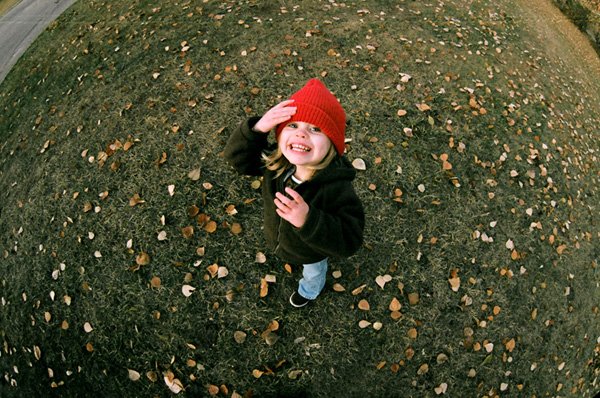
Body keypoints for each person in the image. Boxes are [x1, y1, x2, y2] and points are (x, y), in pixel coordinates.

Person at [224, 79, 364, 307]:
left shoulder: (336, 187)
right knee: (286, 248)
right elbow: (237, 160)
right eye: (293, 126)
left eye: (315, 129)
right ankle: (283, 248)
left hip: (311, 253)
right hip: (279, 238)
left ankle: (309, 291)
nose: (301, 135)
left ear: (332, 144)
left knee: (313, 271)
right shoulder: (276, 165)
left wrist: (308, 220)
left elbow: (350, 239)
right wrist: (258, 128)